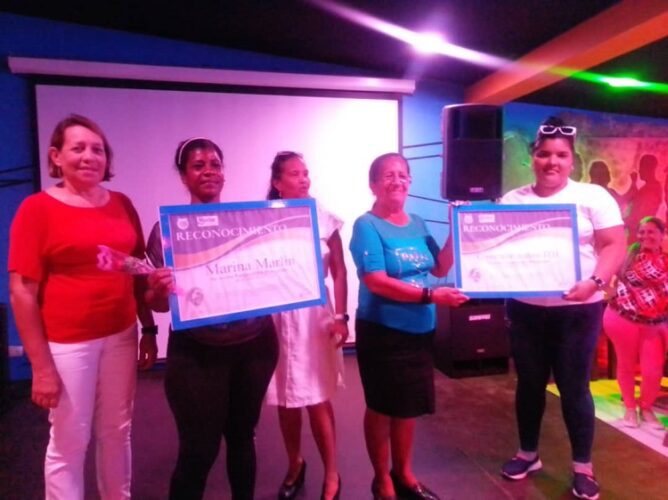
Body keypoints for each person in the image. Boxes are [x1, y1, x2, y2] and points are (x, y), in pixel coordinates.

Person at [8, 114, 157, 500]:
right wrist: (41, 368)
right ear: (56, 156)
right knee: (70, 441)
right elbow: (22, 292)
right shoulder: (36, 209)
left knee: (117, 431)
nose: (89, 156)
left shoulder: (122, 204)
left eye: (98, 149)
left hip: (122, 335)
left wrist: (149, 329)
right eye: (78, 148)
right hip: (68, 343)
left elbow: (136, 269)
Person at [144, 137, 278, 500]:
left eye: (215, 164)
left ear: (224, 173)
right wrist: (158, 290)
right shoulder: (167, 232)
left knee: (243, 437)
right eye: (198, 165)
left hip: (255, 347)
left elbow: (271, 276)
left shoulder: (249, 223)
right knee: (198, 450)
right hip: (196, 354)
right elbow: (158, 305)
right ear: (183, 176)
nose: (208, 171)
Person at [499, 117, 626, 500]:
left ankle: (583, 467)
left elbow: (614, 245)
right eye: (544, 154)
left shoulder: (593, 197)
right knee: (529, 384)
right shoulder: (514, 200)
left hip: (578, 310)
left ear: (572, 160)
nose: (551, 161)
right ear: (532, 156)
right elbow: (498, 251)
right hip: (525, 309)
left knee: (574, 388)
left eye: (560, 155)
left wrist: (596, 282)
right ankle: (528, 454)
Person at [349, 152, 469, 500]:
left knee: (408, 406)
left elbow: (440, 266)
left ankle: (403, 473)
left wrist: (456, 228)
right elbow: (376, 281)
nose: (397, 181)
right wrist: (431, 296)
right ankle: (381, 479)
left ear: (410, 182)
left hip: (420, 331)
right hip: (383, 332)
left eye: (403, 175)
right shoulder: (366, 225)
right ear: (373, 184)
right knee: (382, 406)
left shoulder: (417, 222)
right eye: (388, 175)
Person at [264, 151, 347, 500]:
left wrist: (341, 317)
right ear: (277, 183)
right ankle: (295, 464)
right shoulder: (263, 219)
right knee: (285, 398)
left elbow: (339, 271)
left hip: (315, 319)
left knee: (317, 397)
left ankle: (332, 473)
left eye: (306, 173)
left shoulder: (324, 218)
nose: (304, 179)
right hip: (278, 318)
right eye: (295, 174)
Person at [603, 216, 668, 429]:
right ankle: (630, 409)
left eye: (651, 232)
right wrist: (609, 291)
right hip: (623, 318)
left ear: (662, 234)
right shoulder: (626, 256)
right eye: (642, 232)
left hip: (655, 323)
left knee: (653, 371)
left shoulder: (666, 261)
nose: (645, 236)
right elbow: (601, 274)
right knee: (626, 364)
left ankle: (646, 408)